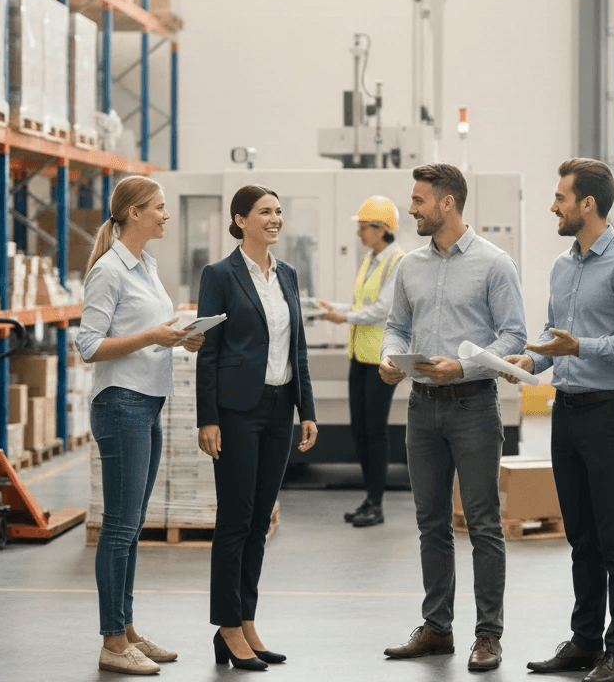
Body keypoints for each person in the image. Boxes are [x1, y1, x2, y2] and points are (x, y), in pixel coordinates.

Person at [502, 158, 614, 682]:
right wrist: (531, 362)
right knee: (580, 536)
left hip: (610, 415)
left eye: (561, 198)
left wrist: (582, 346)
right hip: (566, 415)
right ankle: (586, 641)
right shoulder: (563, 265)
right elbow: (556, 337)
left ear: (587, 204)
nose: (553, 206)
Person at [379, 163, 527, 673]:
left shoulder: (494, 263)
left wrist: (461, 366)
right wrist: (390, 356)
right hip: (421, 407)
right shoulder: (410, 265)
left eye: (419, 200)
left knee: (483, 524)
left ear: (447, 203)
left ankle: (489, 636)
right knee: (431, 524)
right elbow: (398, 326)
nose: (411, 209)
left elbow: (514, 337)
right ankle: (437, 628)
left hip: (473, 406)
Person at [76, 175, 205, 676]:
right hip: (121, 405)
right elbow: (89, 345)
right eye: (159, 207)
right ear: (133, 213)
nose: (165, 215)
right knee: (119, 528)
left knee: (131, 530)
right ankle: (112, 641)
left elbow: (150, 333)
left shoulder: (146, 266)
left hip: (147, 404)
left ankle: (126, 628)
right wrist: (154, 334)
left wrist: (179, 337)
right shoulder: (109, 271)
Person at [195, 184, 318, 671]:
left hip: (278, 407)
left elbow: (298, 347)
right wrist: (208, 417)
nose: (275, 219)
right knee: (236, 520)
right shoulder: (220, 274)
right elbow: (208, 349)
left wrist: (306, 409)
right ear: (240, 219)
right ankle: (226, 625)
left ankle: (245, 621)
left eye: (279, 211)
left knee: (260, 521)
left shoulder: (286, 273)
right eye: (265, 212)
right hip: (237, 412)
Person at [317, 195, 405, 528]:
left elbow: (383, 309)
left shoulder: (397, 261)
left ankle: (377, 504)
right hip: (359, 355)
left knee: (375, 431)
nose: (359, 234)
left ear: (381, 229)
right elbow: (363, 303)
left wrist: (344, 318)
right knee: (360, 430)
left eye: (363, 227)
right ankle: (369, 499)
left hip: (380, 360)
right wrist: (335, 308)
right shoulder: (371, 259)